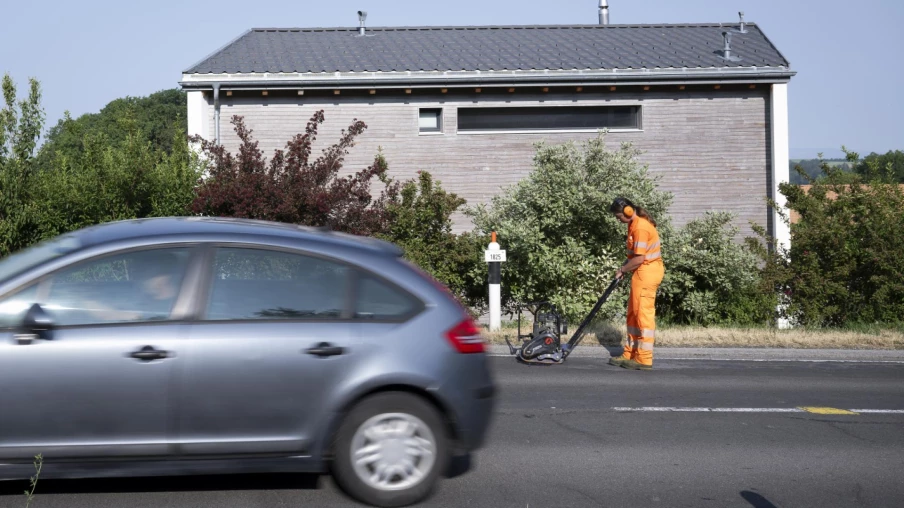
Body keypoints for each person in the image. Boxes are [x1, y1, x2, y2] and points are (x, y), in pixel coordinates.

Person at [607, 197, 664, 371]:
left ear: (628, 211)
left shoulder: (640, 227)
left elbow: (639, 259)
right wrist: (623, 268)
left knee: (642, 315)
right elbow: (634, 256)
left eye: (618, 216)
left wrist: (623, 270)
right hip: (641, 272)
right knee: (633, 314)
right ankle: (630, 353)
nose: (618, 219)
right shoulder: (633, 225)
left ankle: (644, 359)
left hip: (647, 272)